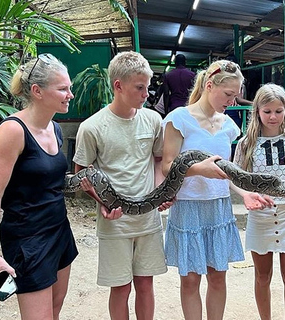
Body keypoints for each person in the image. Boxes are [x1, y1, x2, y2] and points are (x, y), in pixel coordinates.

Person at [161, 60, 274, 319]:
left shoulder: (228, 125)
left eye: (236, 96)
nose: (232, 101)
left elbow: (227, 173)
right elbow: (168, 166)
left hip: (219, 207)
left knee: (217, 278)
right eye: (228, 95)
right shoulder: (179, 119)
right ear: (209, 86)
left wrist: (246, 193)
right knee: (190, 281)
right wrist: (200, 169)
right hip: (189, 206)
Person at [73, 51, 170, 320]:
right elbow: (81, 173)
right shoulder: (92, 127)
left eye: (147, 87)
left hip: (148, 221)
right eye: (140, 87)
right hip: (115, 222)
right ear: (118, 85)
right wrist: (102, 203)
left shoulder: (153, 120)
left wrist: (161, 190)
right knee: (120, 287)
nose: (146, 94)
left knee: (146, 283)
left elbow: (158, 159)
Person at [0, 53, 77, 319]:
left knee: (55, 310)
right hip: (28, 239)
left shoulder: (55, 129)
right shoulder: (12, 131)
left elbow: (48, 182)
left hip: (59, 230)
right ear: (37, 91)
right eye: (63, 89)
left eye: (69, 87)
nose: (70, 94)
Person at [233, 83, 285, 320]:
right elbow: (235, 176)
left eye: (279, 111)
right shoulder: (246, 143)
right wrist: (246, 195)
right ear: (257, 111)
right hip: (261, 216)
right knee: (262, 276)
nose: (273, 116)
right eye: (267, 111)